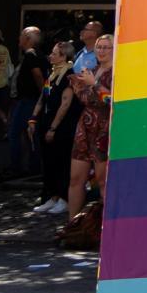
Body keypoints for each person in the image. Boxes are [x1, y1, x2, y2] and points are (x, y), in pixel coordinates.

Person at [66, 33, 113, 223]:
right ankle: (72, 224)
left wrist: (94, 85)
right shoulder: (91, 70)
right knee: (76, 179)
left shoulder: (118, 73)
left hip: (105, 128)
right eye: (98, 47)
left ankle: (105, 229)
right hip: (85, 127)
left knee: (103, 182)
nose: (100, 51)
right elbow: (85, 98)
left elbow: (112, 101)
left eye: (105, 47)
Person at [31, 40, 78, 216]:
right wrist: (33, 119)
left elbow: (65, 104)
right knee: (49, 161)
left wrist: (53, 128)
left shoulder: (69, 76)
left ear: (64, 56)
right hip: (46, 120)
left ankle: (65, 198)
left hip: (62, 126)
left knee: (62, 162)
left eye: (54, 53)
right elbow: (43, 98)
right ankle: (53, 196)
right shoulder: (51, 75)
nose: (50, 56)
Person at [6, 25, 48, 177]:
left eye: (22, 36)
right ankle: (31, 167)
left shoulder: (31, 55)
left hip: (29, 101)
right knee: (30, 135)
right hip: (29, 100)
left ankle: (17, 167)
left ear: (28, 39)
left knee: (17, 133)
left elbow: (37, 76)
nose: (19, 39)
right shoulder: (35, 54)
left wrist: (43, 96)